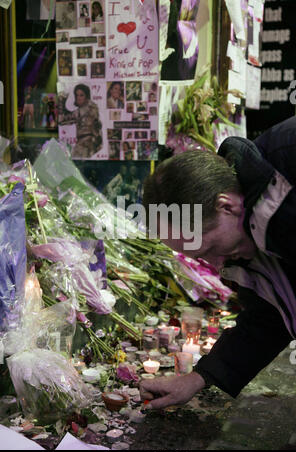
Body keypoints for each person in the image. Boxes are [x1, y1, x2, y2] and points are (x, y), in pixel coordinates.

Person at [140, 116, 296, 409]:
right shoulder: (247, 235)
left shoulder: (288, 165)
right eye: (199, 257)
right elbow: (269, 314)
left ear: (226, 205)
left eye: (210, 248)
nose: (215, 264)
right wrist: (199, 377)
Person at [58, 83, 103, 159]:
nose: (78, 98)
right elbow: (62, 121)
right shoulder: (86, 108)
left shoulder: (89, 107)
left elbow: (64, 119)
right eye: (77, 95)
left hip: (87, 144)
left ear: (86, 97)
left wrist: (62, 100)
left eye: (81, 95)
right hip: (86, 143)